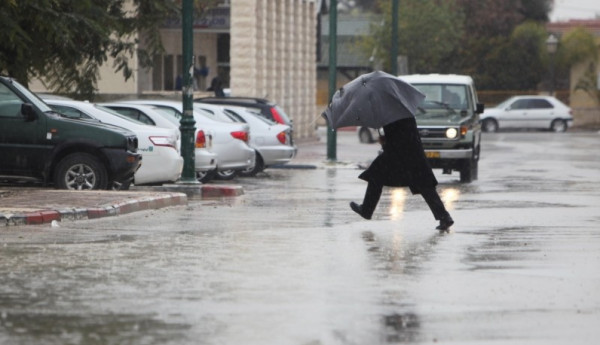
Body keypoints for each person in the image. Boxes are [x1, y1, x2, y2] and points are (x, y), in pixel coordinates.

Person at [350, 117, 454, 230]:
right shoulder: (403, 111)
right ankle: (444, 217)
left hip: (399, 154)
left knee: (376, 175)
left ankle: (366, 210)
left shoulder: (391, 115)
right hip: (413, 153)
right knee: (425, 185)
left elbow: (395, 137)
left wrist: (384, 141)